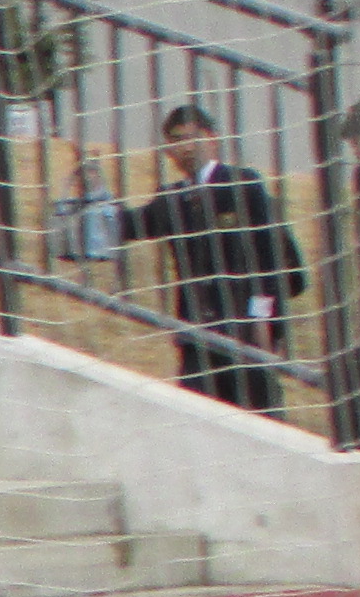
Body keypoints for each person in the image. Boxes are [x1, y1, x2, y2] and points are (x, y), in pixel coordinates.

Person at [115, 104, 308, 416]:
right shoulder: (173, 198)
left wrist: (261, 317)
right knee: (196, 421)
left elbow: (272, 257)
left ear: (212, 138)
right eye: (176, 141)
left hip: (246, 332)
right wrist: (96, 209)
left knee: (257, 419)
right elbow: (132, 224)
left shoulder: (242, 184)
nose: (185, 148)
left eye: (192, 138)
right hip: (198, 335)